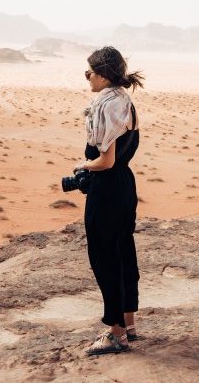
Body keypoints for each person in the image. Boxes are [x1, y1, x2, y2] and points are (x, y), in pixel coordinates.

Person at [73, 46, 144, 356]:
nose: (86, 77)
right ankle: (128, 323)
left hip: (108, 189)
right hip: (125, 187)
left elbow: (106, 161)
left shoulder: (105, 106)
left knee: (105, 259)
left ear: (102, 76)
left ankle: (116, 334)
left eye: (88, 72)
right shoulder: (125, 101)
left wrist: (81, 167)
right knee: (124, 253)